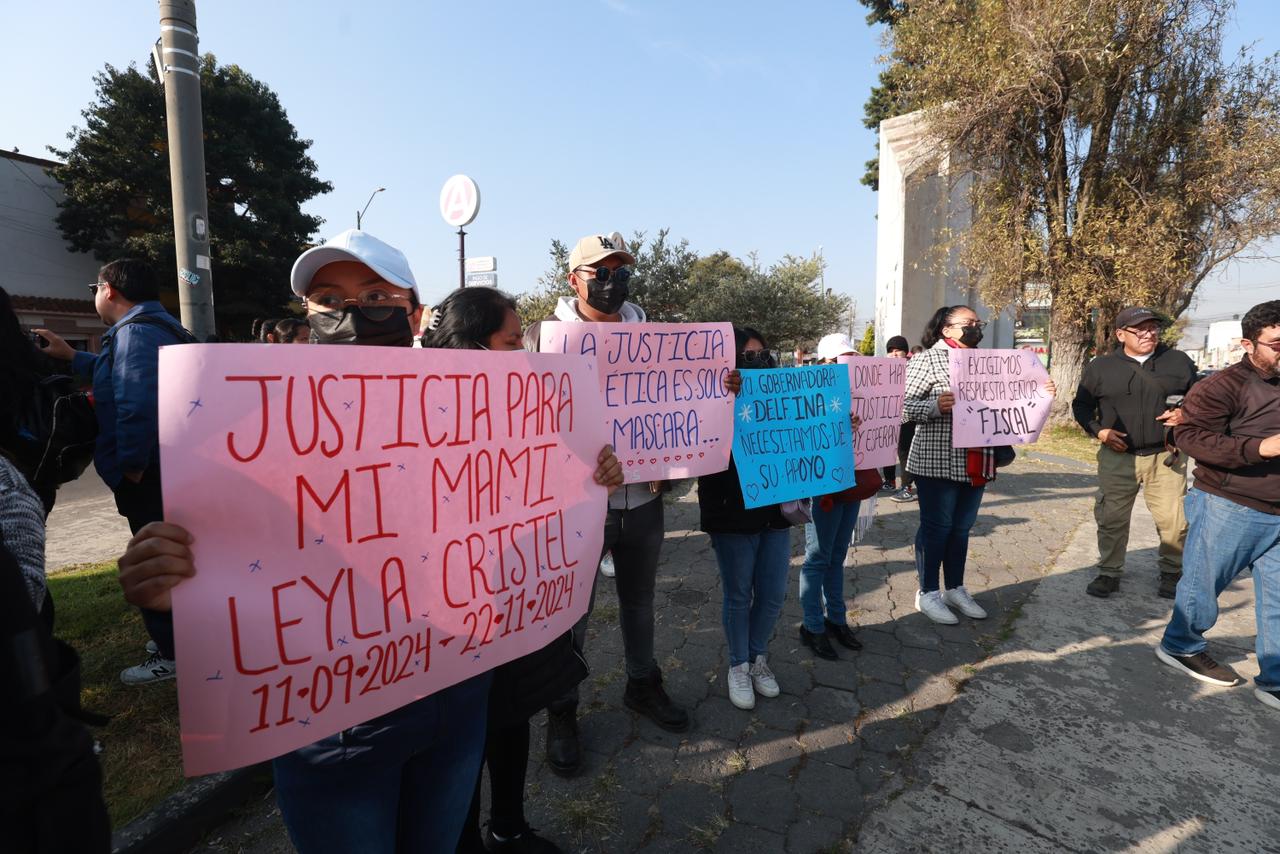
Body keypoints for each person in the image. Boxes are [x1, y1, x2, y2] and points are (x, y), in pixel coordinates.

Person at [523, 232, 740, 775]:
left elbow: (683, 408)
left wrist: (723, 387)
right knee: (571, 612)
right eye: (600, 271)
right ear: (573, 279)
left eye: (620, 271)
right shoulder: (544, 341)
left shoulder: (656, 340)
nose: (611, 281)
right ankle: (562, 708)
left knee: (639, 602)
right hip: (577, 508)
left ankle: (642, 683)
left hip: (643, 500)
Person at [422, 285, 623, 854]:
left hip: (512, 602)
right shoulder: (421, 413)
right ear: (472, 345)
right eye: (513, 342)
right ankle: (463, 839)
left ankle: (509, 827)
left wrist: (600, 474)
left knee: (510, 719)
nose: (524, 354)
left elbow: (564, 474)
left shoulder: (534, 404)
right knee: (461, 739)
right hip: (453, 616)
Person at [36, 259, 195, 685]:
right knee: (175, 553)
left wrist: (132, 469)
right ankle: (181, 637)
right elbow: (116, 375)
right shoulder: (158, 326)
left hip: (151, 473)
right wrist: (73, 355)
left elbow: (135, 405)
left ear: (108, 289)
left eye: (94, 288)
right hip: (172, 468)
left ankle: (174, 652)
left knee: (156, 557)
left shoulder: (134, 333)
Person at [1156, 300, 1280, 711]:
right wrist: (1260, 448)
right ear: (1248, 344)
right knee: (1202, 586)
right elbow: (1190, 437)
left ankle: (1275, 678)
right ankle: (1180, 645)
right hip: (1230, 505)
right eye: (1278, 345)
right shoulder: (1222, 385)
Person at [904, 305, 1056, 624]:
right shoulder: (926, 360)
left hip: (977, 460)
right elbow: (902, 407)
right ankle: (927, 592)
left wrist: (1041, 392)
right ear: (946, 329)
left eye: (978, 322)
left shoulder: (988, 362)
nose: (976, 327)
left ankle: (954, 588)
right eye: (968, 323)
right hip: (936, 462)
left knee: (961, 529)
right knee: (937, 528)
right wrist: (935, 406)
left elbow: (1013, 399)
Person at [1072, 307, 1196, 599]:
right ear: (1120, 334)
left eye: (1153, 328)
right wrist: (1099, 431)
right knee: (1111, 517)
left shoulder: (1178, 361)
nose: (1148, 334)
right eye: (1140, 329)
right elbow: (1082, 406)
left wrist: (1185, 414)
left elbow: (1202, 398)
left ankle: (1171, 571)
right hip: (1117, 456)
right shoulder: (1100, 367)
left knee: (1174, 520)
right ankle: (1109, 572)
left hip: (1166, 456)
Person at [698, 328, 793, 709]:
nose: (759, 363)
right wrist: (720, 398)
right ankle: (738, 665)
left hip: (775, 508)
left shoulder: (782, 395)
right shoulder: (709, 396)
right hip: (731, 510)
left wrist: (838, 427)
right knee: (739, 594)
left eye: (764, 355)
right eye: (748, 357)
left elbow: (804, 428)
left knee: (772, 594)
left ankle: (757, 658)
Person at [797, 333, 875, 660]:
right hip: (822, 487)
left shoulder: (861, 390)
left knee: (837, 554)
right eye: (840, 359)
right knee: (818, 556)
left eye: (851, 358)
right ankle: (812, 625)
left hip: (851, 482)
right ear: (824, 363)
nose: (846, 364)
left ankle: (837, 619)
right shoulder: (805, 391)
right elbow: (799, 438)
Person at [883, 335, 917, 502]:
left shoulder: (913, 368)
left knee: (904, 452)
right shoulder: (882, 369)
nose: (894, 354)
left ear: (906, 352)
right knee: (885, 449)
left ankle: (906, 487)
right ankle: (889, 481)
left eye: (898, 350)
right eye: (891, 351)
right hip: (886, 416)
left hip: (906, 417)